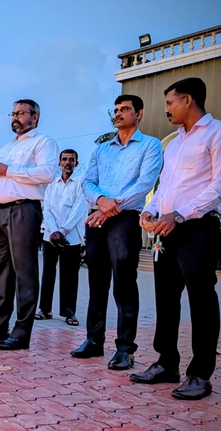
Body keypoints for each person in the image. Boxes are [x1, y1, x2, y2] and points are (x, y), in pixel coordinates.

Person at [131, 78, 221, 400]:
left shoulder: (216, 133)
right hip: (166, 229)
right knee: (166, 297)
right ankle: (167, 362)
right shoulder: (174, 143)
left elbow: (218, 186)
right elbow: (164, 186)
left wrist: (180, 214)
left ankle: (200, 374)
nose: (166, 109)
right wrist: (151, 210)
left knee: (201, 298)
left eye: (170, 103)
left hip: (198, 227)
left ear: (188, 99)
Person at [72, 94, 162, 370]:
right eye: (116, 109)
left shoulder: (150, 145)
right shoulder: (102, 149)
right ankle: (94, 339)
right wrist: (101, 202)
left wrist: (110, 208)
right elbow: (88, 182)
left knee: (124, 284)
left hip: (125, 219)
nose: (118, 113)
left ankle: (125, 348)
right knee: (97, 282)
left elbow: (144, 183)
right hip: (97, 218)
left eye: (125, 109)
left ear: (139, 113)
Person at [0, 99, 59, 350]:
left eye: (21, 113)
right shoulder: (6, 147)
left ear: (35, 117)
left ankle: (21, 333)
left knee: (24, 271)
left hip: (23, 209)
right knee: (0, 272)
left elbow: (47, 173)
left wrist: (7, 170)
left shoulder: (43, 142)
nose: (15, 117)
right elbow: (0, 177)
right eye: (12, 113)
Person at [35, 149, 87, 326]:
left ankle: (69, 313)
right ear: (59, 163)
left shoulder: (81, 184)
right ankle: (44, 310)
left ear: (76, 163)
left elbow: (79, 210)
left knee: (69, 275)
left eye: (71, 159)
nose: (68, 162)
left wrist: (62, 231)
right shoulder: (52, 185)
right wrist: (54, 231)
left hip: (71, 237)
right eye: (64, 159)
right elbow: (47, 209)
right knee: (48, 273)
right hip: (51, 236)